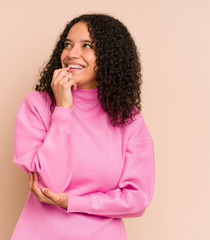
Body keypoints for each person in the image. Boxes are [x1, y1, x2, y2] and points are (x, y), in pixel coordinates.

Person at [11, 13, 155, 240]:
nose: (71, 54)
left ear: (109, 56)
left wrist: (73, 202)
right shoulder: (36, 106)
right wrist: (63, 108)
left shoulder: (129, 119)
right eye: (67, 45)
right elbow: (52, 185)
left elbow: (137, 200)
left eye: (86, 45)